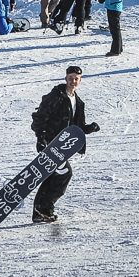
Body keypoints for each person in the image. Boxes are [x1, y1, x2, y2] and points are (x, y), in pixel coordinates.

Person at [30, 66, 100, 223]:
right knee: (64, 174)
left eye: (76, 79)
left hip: (62, 148)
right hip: (51, 144)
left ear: (80, 80)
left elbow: (77, 127)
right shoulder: (55, 97)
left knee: (52, 176)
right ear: (65, 78)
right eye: (70, 78)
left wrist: (89, 128)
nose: (72, 81)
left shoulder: (78, 102)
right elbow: (39, 119)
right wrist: (41, 139)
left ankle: (41, 211)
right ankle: (43, 208)